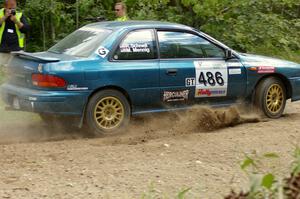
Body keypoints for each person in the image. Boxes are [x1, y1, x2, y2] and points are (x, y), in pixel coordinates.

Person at [0, 0, 29, 67]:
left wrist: (16, 21)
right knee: (1, 71)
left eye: (13, 8)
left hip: (16, 49)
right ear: (5, 7)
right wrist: (5, 17)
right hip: (2, 48)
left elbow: (26, 29)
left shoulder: (19, 15)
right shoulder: (0, 13)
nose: (12, 10)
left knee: (14, 70)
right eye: (10, 8)